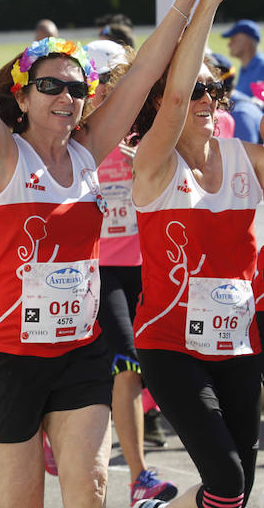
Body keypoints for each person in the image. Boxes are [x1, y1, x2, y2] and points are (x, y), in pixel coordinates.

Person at [0, 0, 233, 508]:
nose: (67, 97)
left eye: (77, 88)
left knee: (92, 489)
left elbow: (148, 67)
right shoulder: (3, 158)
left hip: (79, 352)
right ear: (22, 96)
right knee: (21, 499)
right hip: (8, 356)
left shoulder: (88, 152)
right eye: (52, 86)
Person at [130, 0, 259, 508]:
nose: (207, 100)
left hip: (239, 341)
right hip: (171, 345)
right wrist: (207, 1)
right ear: (158, 103)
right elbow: (179, 96)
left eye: (215, 89)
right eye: (196, 90)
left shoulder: (245, 159)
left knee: (236, 490)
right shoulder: (153, 164)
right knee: (227, 479)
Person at [84, 39, 178, 503]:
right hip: (99, 271)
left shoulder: (144, 131)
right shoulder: (80, 134)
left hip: (148, 266)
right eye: (98, 85)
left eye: (114, 83)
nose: (105, 93)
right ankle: (140, 477)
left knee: (134, 367)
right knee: (126, 365)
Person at [222, 20, 264, 98]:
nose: (229, 44)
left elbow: (260, 103)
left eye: (233, 39)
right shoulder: (245, 67)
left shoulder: (261, 68)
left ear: (245, 41)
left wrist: (232, 94)